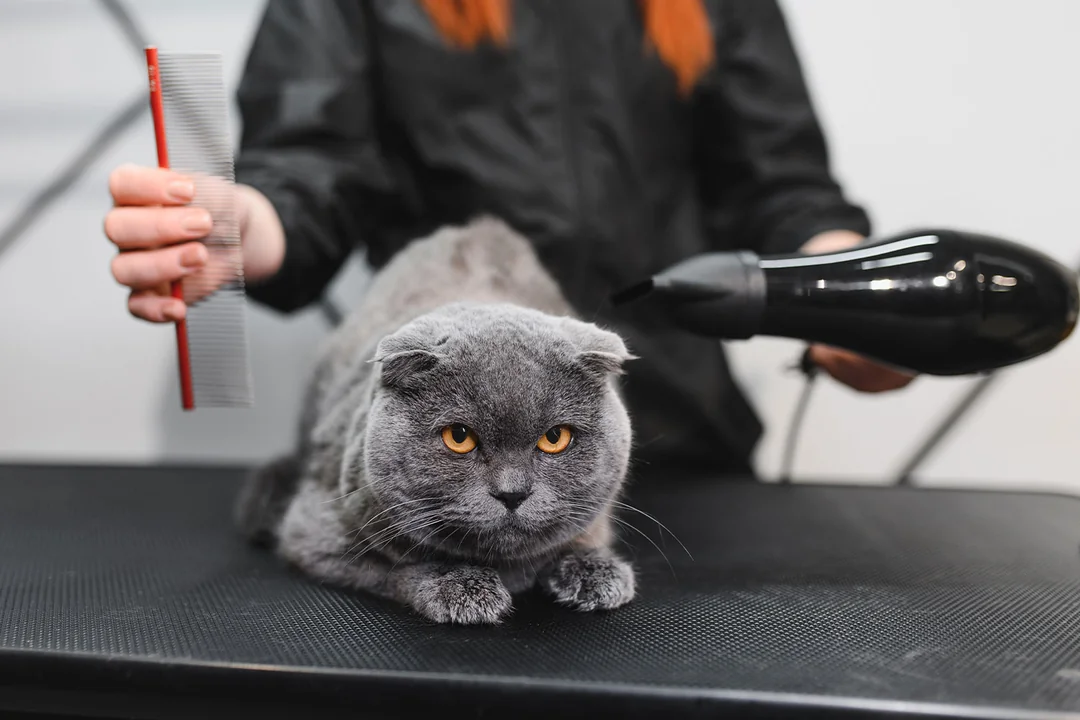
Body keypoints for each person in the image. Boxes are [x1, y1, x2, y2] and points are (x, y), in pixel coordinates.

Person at [103, 0, 912, 477]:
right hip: (449, 469)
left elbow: (781, 186)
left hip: (683, 454)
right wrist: (249, 224)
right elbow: (313, 177)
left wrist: (844, 295)